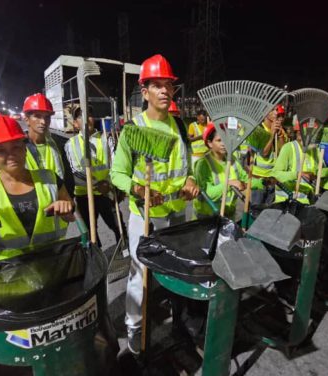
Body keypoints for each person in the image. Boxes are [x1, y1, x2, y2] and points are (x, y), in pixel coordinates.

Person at [110, 54, 199, 354]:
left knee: (175, 270)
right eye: (157, 85)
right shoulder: (133, 129)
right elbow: (117, 173)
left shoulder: (181, 126)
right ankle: (135, 327)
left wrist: (190, 181)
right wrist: (135, 188)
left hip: (175, 215)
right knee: (139, 273)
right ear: (144, 92)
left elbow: (188, 169)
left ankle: (179, 321)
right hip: (144, 216)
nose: (164, 91)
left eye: (168, 85)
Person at [0, 114, 74, 266]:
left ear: (25, 148)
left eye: (16, 147)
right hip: (5, 278)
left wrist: (66, 208)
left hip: (52, 267)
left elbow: (71, 216)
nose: (11, 155)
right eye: (0, 150)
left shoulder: (50, 178)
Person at [65, 106, 125, 244]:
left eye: (89, 115)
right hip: (84, 196)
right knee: (91, 234)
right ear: (75, 123)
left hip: (106, 194)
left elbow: (115, 165)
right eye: (80, 117)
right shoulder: (70, 144)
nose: (86, 119)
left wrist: (110, 185)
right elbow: (74, 171)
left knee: (118, 226)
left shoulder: (106, 139)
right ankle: (97, 259)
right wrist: (98, 184)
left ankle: (125, 252)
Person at [193, 123, 261, 219]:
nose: (224, 143)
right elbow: (208, 194)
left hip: (228, 217)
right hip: (207, 219)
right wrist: (229, 184)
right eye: (219, 140)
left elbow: (246, 180)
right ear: (209, 143)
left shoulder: (232, 160)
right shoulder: (202, 164)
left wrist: (262, 182)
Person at [269, 120, 319, 203]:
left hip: (307, 203)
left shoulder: (315, 150)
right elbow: (275, 174)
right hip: (288, 204)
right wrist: (298, 174)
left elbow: (318, 171)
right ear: (299, 133)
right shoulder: (288, 148)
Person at [250, 104, 288, 205]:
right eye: (272, 110)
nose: (276, 113)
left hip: (273, 178)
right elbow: (264, 153)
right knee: (256, 210)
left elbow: (282, 153)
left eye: (276, 110)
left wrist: (280, 136)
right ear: (264, 113)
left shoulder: (280, 130)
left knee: (268, 212)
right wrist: (271, 134)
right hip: (259, 179)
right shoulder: (258, 130)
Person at [23, 93, 65, 179]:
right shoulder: (18, 147)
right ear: (27, 120)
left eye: (47, 117)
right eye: (37, 116)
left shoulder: (58, 143)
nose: (43, 121)